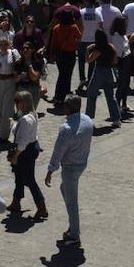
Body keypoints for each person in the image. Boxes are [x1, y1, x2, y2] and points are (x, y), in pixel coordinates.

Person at [45, 94, 93, 248]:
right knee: (64, 189)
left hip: (70, 168)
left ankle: (74, 234)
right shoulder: (88, 121)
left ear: (67, 109)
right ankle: (73, 226)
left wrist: (50, 171)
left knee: (72, 203)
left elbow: (58, 151)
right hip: (82, 163)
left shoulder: (66, 129)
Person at [6, 90, 46, 217]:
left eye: (17, 101)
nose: (16, 104)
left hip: (25, 152)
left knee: (29, 180)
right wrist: (13, 124)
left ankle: (42, 207)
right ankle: (16, 202)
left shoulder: (25, 120)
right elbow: (23, 132)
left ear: (24, 103)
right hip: (30, 148)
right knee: (19, 177)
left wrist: (15, 157)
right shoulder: (31, 115)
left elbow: (22, 143)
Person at [84, 29, 121, 128]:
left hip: (99, 71)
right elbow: (115, 61)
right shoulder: (111, 47)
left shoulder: (98, 49)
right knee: (110, 96)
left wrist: (88, 50)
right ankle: (116, 119)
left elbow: (88, 60)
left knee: (91, 94)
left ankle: (89, 118)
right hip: (109, 72)